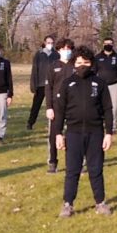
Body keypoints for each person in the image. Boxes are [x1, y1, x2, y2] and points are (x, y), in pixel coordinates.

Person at [53, 46, 115, 217]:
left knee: (96, 169)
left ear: (91, 63)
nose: (82, 66)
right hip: (73, 133)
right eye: (79, 62)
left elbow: (108, 109)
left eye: (86, 63)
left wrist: (108, 133)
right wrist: (58, 133)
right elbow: (60, 111)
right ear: (74, 64)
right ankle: (68, 204)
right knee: (72, 170)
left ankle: (100, 203)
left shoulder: (99, 83)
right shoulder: (67, 83)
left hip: (95, 133)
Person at [45, 38, 75, 173]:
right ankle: (52, 162)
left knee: (74, 134)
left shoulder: (75, 65)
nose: (66, 51)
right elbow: (48, 88)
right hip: (57, 105)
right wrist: (49, 107)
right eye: (63, 49)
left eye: (68, 48)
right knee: (54, 135)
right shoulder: (53, 66)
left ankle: (76, 162)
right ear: (58, 50)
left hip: (73, 104)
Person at [94, 38, 117, 132]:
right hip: (101, 86)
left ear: (113, 45)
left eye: (110, 43)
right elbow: (93, 72)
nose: (108, 45)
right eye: (106, 43)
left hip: (114, 85)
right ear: (103, 44)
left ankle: (112, 127)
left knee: (114, 107)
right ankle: (99, 125)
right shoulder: (97, 57)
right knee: (99, 106)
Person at [29, 35, 57, 131]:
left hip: (53, 84)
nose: (50, 45)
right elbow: (34, 70)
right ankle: (30, 123)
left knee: (54, 106)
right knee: (36, 105)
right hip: (41, 84)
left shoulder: (56, 55)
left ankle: (55, 123)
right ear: (44, 43)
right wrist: (33, 85)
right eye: (48, 43)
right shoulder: (39, 54)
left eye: (52, 43)